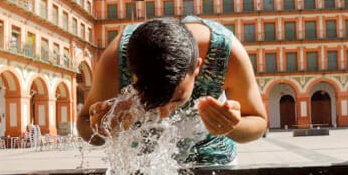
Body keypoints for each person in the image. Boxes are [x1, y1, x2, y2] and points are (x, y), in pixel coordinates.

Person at [77, 17, 268, 165]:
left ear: (197, 68)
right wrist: (102, 126)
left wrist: (232, 125)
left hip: (214, 162)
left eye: (176, 100)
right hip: (141, 167)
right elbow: (84, 124)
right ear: (132, 73)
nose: (163, 114)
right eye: (149, 99)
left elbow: (259, 122)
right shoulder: (116, 58)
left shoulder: (226, 54)